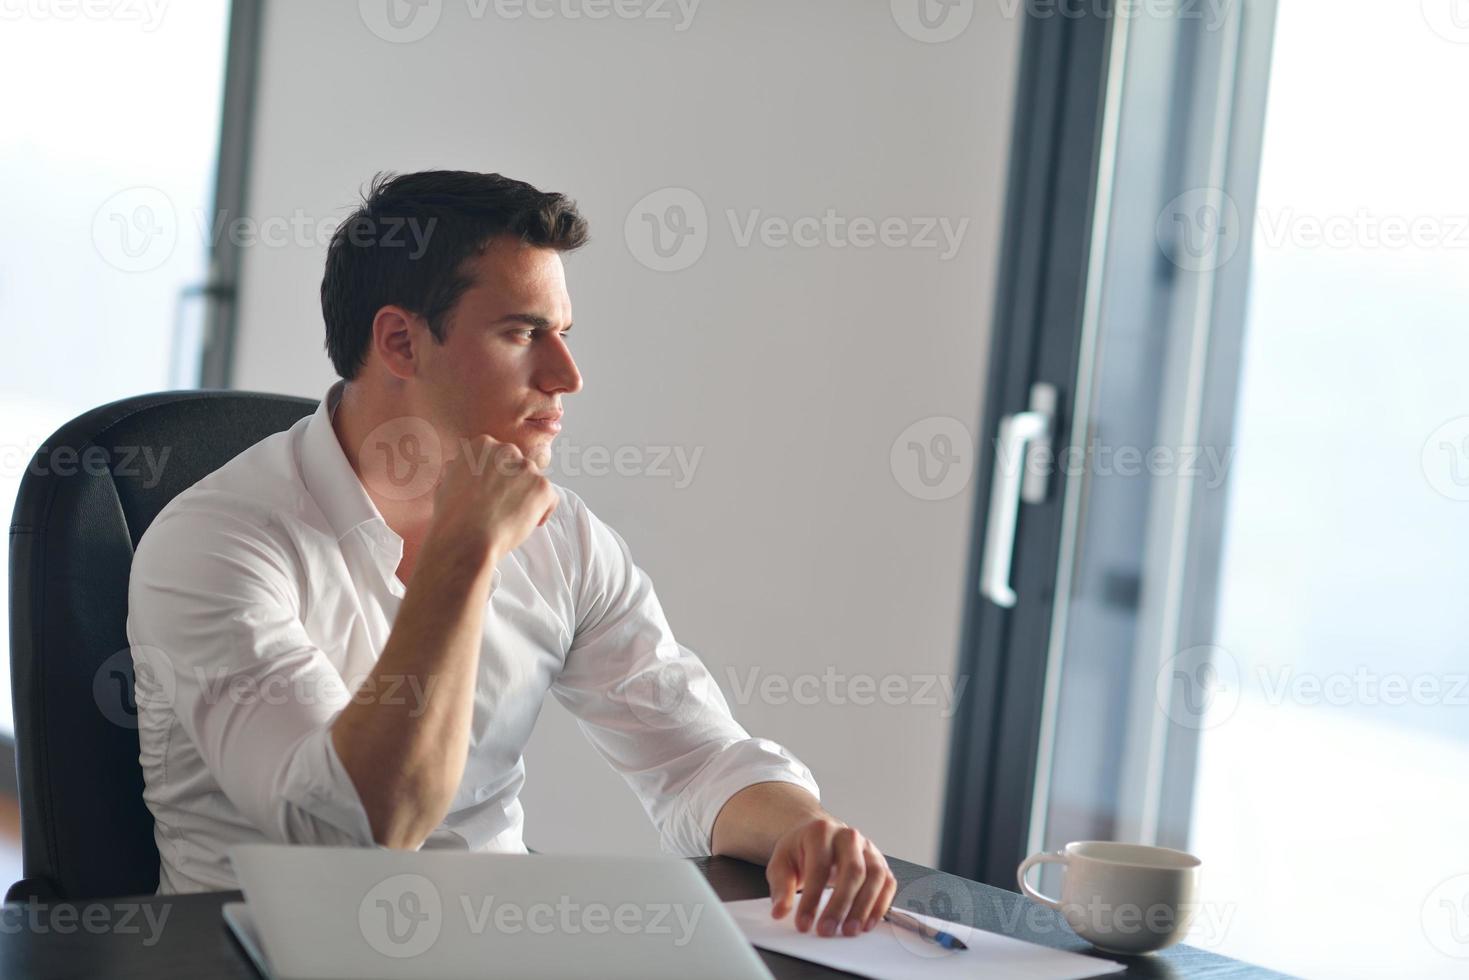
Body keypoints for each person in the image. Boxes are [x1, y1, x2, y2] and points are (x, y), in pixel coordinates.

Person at [127, 170, 896, 938]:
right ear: (400, 341)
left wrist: (799, 826)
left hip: (496, 944)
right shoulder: (216, 545)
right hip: (275, 951)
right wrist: (462, 555)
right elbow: (355, 834)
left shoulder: (565, 537)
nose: (567, 376)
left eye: (564, 336)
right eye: (524, 334)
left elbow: (694, 761)